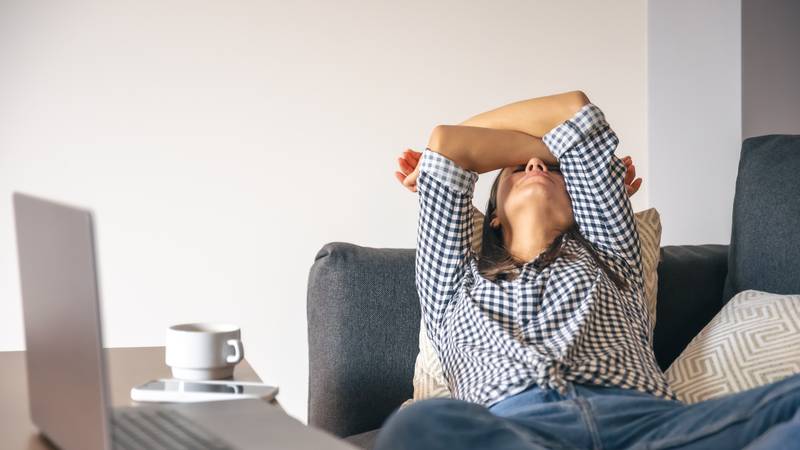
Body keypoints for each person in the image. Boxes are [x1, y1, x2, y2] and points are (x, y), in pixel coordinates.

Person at [382, 90, 800, 449]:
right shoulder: (452, 283)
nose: (536, 166)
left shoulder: (609, 250)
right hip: (517, 431)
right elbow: (447, 145)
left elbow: (573, 108)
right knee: (418, 424)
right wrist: (557, 151)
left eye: (556, 168)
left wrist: (561, 158)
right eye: (517, 166)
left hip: (647, 425)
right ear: (493, 216)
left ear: (581, 204)